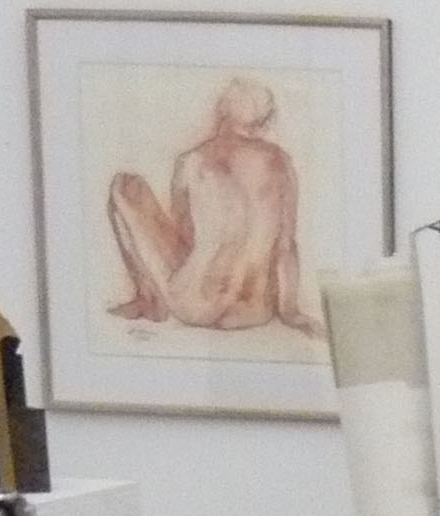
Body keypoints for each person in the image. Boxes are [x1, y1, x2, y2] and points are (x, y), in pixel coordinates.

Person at [105, 75, 321, 335]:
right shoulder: (281, 163)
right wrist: (291, 312)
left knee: (125, 185)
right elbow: (286, 246)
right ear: (265, 120)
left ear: (221, 112)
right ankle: (153, 298)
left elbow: (184, 239)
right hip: (254, 312)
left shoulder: (191, 161)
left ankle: (148, 299)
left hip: (195, 305)